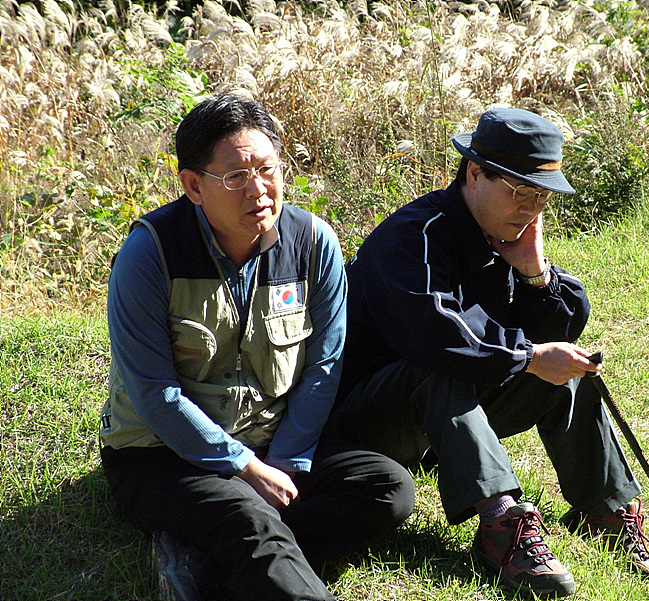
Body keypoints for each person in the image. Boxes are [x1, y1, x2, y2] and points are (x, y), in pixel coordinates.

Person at [321, 108, 649, 598]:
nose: (530, 208)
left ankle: (605, 509)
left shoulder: (503, 235)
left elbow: (560, 326)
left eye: (542, 196)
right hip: (363, 423)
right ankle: (500, 523)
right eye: (519, 191)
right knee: (440, 371)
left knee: (567, 371)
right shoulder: (413, 236)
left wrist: (535, 274)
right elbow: (437, 337)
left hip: (441, 422)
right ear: (474, 173)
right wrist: (530, 356)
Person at [99, 93, 415, 601]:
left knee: (388, 489)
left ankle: (206, 558)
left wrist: (285, 461)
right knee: (248, 516)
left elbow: (324, 365)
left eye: (268, 169)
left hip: (272, 441)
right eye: (236, 177)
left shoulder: (313, 242)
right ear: (193, 185)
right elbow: (155, 394)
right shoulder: (150, 254)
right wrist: (245, 468)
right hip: (162, 456)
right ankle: (246, 543)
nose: (258, 189)